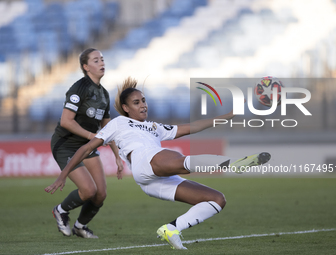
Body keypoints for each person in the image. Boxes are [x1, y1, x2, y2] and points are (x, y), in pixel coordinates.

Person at [45, 77, 270, 248]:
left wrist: (230, 114)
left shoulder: (155, 127)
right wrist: (63, 175)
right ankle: (232, 164)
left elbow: (192, 127)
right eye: (136, 102)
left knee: (216, 199)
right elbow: (86, 148)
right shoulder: (119, 123)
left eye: (144, 100)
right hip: (145, 162)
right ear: (126, 108)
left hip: (154, 180)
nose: (143, 105)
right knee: (176, 158)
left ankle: (172, 229)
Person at [49, 48, 123, 239]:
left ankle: (80, 226)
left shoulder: (104, 95)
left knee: (100, 194)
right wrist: (91, 135)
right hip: (66, 144)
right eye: (96, 60)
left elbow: (108, 129)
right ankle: (60, 210)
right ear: (86, 66)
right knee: (88, 190)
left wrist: (117, 156)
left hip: (87, 147)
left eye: (102, 59)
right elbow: (66, 121)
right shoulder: (79, 88)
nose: (101, 63)